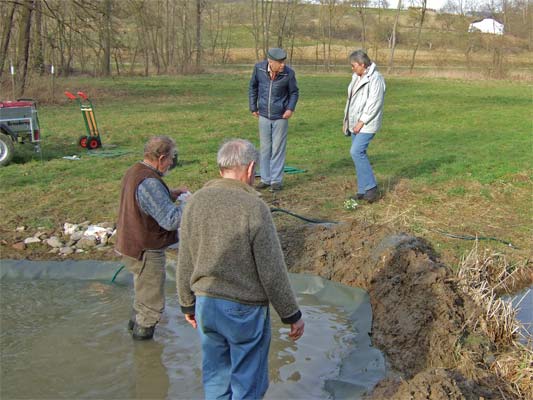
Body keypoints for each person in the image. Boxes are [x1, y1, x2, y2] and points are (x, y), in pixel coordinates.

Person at [176, 139, 305, 399]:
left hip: (205, 304)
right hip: (244, 309)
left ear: (221, 168)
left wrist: (187, 304)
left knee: (216, 380)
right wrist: (291, 314)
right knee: (248, 385)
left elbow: (185, 256)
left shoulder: (195, 202)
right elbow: (272, 269)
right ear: (251, 168)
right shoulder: (254, 207)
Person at [115, 135, 189, 340]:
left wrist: (171, 194)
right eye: (171, 158)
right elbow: (171, 220)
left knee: (142, 299)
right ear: (161, 158)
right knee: (151, 308)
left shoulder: (135, 170)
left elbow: (145, 200)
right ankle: (144, 351)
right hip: (145, 251)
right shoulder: (149, 182)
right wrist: (188, 203)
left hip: (130, 246)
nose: (172, 162)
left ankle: (133, 332)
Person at [249, 47, 299, 192]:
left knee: (278, 148)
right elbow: (253, 87)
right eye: (280, 62)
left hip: (281, 116)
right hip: (263, 115)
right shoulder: (259, 69)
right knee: (265, 148)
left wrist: (290, 109)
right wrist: (253, 107)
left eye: (284, 61)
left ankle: (276, 181)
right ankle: (265, 179)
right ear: (270, 62)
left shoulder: (289, 73)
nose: (283, 64)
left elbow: (294, 92)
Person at [343, 50, 386, 203]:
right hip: (354, 123)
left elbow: (374, 103)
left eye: (353, 65)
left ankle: (371, 188)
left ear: (362, 64)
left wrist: (362, 121)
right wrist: (347, 121)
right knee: (358, 154)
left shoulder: (376, 79)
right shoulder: (356, 77)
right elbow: (350, 101)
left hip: (367, 124)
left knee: (356, 152)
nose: (352, 68)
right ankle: (362, 190)